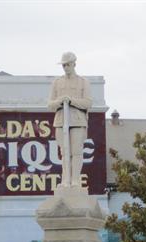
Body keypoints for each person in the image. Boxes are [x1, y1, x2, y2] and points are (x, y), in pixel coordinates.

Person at [48, 52, 92, 188]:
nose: (65, 67)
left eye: (68, 64)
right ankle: (65, 180)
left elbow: (88, 103)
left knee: (76, 152)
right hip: (61, 121)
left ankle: (75, 180)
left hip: (77, 121)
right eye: (63, 65)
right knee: (64, 152)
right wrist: (60, 101)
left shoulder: (83, 82)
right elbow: (50, 105)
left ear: (74, 64)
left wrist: (72, 101)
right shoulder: (57, 82)